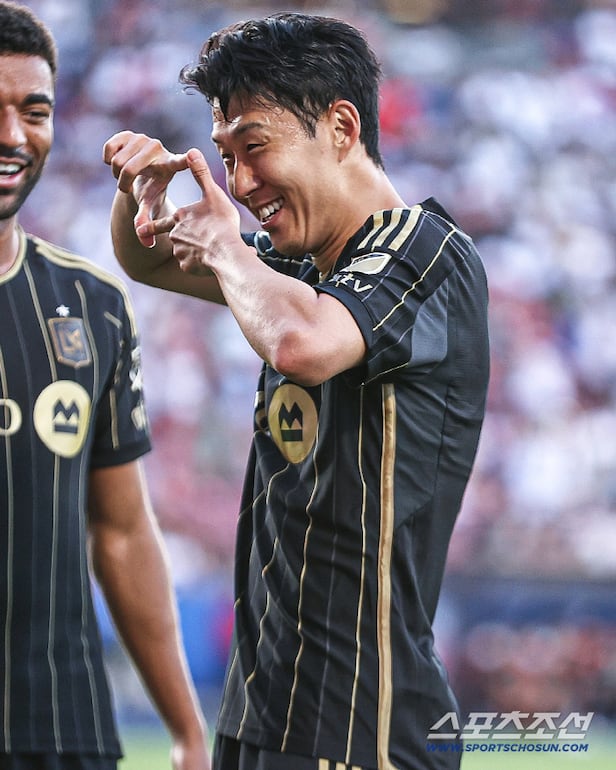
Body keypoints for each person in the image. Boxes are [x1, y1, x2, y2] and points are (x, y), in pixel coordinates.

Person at [103, 12, 489, 770]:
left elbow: (301, 345)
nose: (240, 184)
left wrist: (222, 244)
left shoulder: (423, 248)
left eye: (254, 148)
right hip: (264, 711)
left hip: (361, 725)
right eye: (225, 156)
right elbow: (147, 261)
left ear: (341, 127)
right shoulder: (300, 267)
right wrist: (138, 198)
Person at [0, 3, 211, 769]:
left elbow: (121, 531)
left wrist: (188, 732)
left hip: (65, 733)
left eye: (34, 112)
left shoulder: (92, 306)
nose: (13, 135)